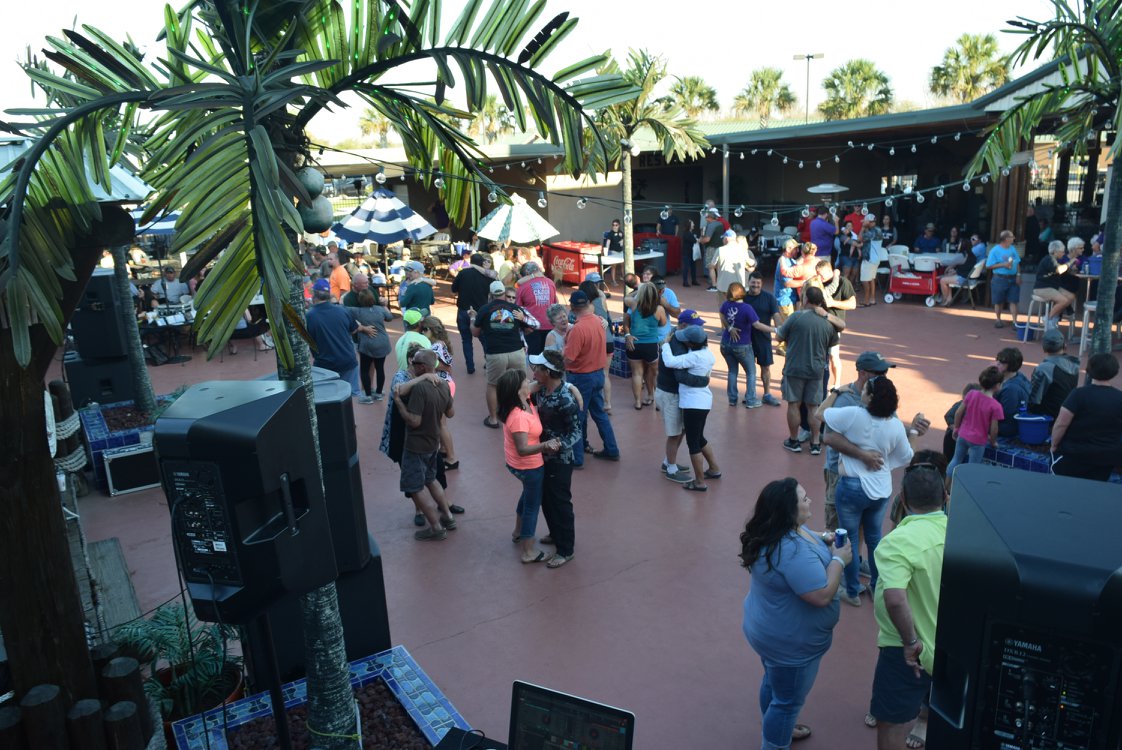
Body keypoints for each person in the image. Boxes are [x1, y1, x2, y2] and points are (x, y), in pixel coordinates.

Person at [740, 478, 852, 749]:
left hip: (769, 632)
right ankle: (776, 740)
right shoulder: (791, 551)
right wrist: (838, 560)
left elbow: (807, 535)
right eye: (803, 499)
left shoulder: (777, 531)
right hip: (791, 645)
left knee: (774, 682)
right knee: (787, 702)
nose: (809, 500)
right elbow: (822, 595)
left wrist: (823, 538)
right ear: (787, 511)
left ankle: (776, 723)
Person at [870, 466, 948, 750]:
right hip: (948, 644)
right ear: (946, 497)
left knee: (890, 722)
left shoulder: (897, 542)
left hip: (907, 650)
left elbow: (894, 598)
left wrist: (910, 642)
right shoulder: (960, 535)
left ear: (902, 498)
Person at [820, 376, 915, 605]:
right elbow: (905, 456)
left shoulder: (854, 414)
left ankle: (852, 592)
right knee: (874, 538)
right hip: (881, 489)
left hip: (852, 487)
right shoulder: (894, 425)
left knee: (850, 539)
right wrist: (883, 465)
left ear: (871, 398)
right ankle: (876, 587)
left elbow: (822, 416)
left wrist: (835, 391)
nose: (861, 391)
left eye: (866, 390)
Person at [392, 349, 457, 541]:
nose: (411, 367)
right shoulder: (444, 385)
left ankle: (436, 527)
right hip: (433, 442)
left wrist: (399, 404)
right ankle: (448, 517)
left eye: (414, 364)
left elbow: (414, 421)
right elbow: (451, 413)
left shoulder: (419, 389)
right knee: (431, 479)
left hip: (416, 444)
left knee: (414, 487)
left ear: (421, 367)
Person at [497, 368, 561, 563]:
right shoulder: (518, 416)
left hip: (519, 465)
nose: (530, 381)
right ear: (518, 390)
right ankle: (528, 551)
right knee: (532, 507)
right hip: (528, 465)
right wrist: (545, 446)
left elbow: (541, 383)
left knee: (527, 495)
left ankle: (517, 532)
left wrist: (572, 389)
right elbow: (523, 449)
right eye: (525, 381)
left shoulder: (523, 398)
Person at [529, 349, 583, 568]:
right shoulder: (541, 390)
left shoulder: (565, 399)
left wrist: (558, 445)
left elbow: (576, 431)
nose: (534, 372)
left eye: (538, 369)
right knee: (545, 498)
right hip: (542, 455)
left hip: (559, 459)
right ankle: (554, 532)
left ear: (548, 372)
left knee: (560, 502)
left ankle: (565, 549)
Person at [776, 286, 844, 455]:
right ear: (821, 301)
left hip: (794, 368)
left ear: (805, 299)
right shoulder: (828, 323)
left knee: (794, 404)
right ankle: (815, 443)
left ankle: (794, 441)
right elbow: (833, 343)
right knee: (814, 406)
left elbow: (778, 337)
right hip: (817, 370)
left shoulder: (795, 317)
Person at [660, 324, 720, 491]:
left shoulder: (693, 357)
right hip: (704, 402)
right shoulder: (708, 354)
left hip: (692, 404)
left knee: (693, 443)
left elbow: (670, 361)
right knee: (699, 437)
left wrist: (665, 344)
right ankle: (714, 468)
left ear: (691, 344)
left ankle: (699, 482)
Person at [473, 279, 539, 427]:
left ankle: (493, 419)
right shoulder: (515, 308)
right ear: (504, 293)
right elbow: (530, 327)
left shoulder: (484, 310)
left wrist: (473, 318)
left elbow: (475, 333)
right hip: (516, 351)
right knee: (521, 383)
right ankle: (525, 415)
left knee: (493, 385)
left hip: (496, 353)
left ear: (490, 294)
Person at [654, 310, 710, 483]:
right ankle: (671, 468)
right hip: (670, 394)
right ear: (684, 326)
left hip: (675, 393)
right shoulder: (677, 344)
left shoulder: (680, 339)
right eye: (697, 326)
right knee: (674, 433)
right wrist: (703, 381)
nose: (700, 329)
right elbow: (681, 375)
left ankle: (668, 461)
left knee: (682, 430)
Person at [564, 290, 620, 465]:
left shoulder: (578, 329)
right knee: (599, 414)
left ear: (572, 307)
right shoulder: (598, 322)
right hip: (597, 374)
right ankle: (612, 449)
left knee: (577, 418)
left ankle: (577, 458)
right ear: (588, 304)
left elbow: (569, 358)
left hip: (581, 378)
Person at [1050, 353, 1122, 481]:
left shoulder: (1079, 394)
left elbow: (1061, 423)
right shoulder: (1119, 398)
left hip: (1075, 454)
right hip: (1106, 457)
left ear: (1089, 370)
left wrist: (1054, 444)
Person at [306, 279, 374, 397]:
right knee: (347, 400)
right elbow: (353, 329)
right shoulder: (342, 310)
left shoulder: (309, 316)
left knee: (328, 400)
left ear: (314, 294)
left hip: (324, 365)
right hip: (347, 360)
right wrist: (362, 328)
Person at [720, 282, 776, 408]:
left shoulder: (726, 304)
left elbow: (722, 315)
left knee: (732, 371)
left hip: (726, 343)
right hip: (742, 345)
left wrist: (729, 328)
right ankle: (751, 399)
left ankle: (732, 399)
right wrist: (774, 330)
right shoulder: (747, 308)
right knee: (751, 372)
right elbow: (757, 325)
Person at [806, 259, 857, 389]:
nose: (819, 276)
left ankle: (836, 383)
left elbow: (852, 304)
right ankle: (818, 382)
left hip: (834, 326)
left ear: (830, 270)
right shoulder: (816, 283)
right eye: (817, 273)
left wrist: (833, 303)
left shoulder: (843, 282)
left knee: (834, 355)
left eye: (821, 273)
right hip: (817, 326)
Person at [947, 366, 1004, 476]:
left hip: (963, 435)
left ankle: (947, 485)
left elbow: (958, 413)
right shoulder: (996, 406)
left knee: (956, 460)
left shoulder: (971, 394)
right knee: (972, 467)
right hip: (978, 441)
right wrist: (993, 442)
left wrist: (957, 428)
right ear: (997, 386)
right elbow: (994, 429)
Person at [622, 282, 667, 410]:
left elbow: (626, 298)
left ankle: (637, 402)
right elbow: (663, 324)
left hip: (634, 344)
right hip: (651, 345)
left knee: (637, 374)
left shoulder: (634, 304)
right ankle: (656, 400)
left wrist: (639, 290)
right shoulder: (659, 309)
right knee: (655, 373)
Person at [744, 272, 783, 407]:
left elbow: (776, 315)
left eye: (758, 283)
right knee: (749, 369)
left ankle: (767, 394)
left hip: (763, 338)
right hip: (745, 338)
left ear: (761, 284)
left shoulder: (769, 298)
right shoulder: (742, 297)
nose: (755, 285)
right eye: (753, 282)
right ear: (748, 282)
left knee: (765, 367)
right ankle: (750, 395)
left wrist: (780, 331)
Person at [451, 253, 494, 375]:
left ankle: (470, 366)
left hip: (463, 310)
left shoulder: (463, 273)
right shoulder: (487, 276)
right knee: (484, 339)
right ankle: (489, 362)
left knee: (466, 340)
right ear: (482, 263)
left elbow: (453, 289)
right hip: (480, 311)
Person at [1027, 329, 1080, 419]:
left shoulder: (1044, 368)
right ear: (1064, 346)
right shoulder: (1074, 363)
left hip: (1048, 418)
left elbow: (1034, 400)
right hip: (1068, 411)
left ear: (1044, 348)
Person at [580, 276, 615, 413]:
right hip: (608, 340)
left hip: (595, 342)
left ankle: (588, 403)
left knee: (590, 372)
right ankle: (608, 404)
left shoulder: (585, 306)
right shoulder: (602, 299)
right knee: (605, 374)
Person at [353, 289, 394, 403]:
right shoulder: (379, 309)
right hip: (382, 342)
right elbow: (390, 317)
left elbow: (343, 310)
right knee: (380, 368)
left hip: (368, 344)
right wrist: (384, 305)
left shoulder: (358, 311)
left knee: (364, 369)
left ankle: (367, 395)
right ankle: (379, 393)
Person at [1033, 240, 1078, 327]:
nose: (1064, 253)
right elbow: (1059, 270)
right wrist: (1070, 262)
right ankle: (1047, 318)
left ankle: (1054, 317)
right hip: (1042, 288)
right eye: (1062, 251)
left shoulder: (1055, 260)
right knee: (1063, 300)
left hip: (1052, 286)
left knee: (1071, 296)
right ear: (1055, 252)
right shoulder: (1049, 259)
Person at [516, 261, 557, 355]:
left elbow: (518, 309)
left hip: (531, 327)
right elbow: (555, 304)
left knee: (533, 359)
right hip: (550, 326)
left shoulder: (522, 287)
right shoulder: (550, 283)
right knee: (549, 358)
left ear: (526, 274)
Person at [938, 232, 987, 306]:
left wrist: (939, 261)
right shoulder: (972, 254)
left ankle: (945, 300)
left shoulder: (962, 255)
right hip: (969, 278)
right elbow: (965, 266)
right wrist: (955, 271)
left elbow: (950, 262)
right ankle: (949, 299)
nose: (957, 245)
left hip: (964, 279)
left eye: (959, 244)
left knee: (942, 280)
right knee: (947, 275)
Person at [985, 230, 1021, 328]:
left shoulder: (1012, 248)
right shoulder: (995, 250)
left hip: (1012, 278)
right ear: (1006, 239)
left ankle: (1015, 322)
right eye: (1012, 237)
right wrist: (1003, 264)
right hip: (1000, 278)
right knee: (998, 301)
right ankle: (998, 319)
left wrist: (1018, 274)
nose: (1013, 238)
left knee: (1014, 300)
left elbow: (1017, 262)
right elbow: (988, 266)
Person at [993, 347, 1031, 438]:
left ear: (1010, 365)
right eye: (997, 360)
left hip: (1007, 428)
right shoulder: (1018, 375)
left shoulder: (1010, 389)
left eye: (1002, 362)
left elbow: (1004, 415)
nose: (997, 363)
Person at [709, 230, 757, 301]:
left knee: (723, 309)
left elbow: (711, 267)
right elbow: (751, 263)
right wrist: (754, 262)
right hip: (738, 287)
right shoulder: (742, 250)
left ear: (726, 239)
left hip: (722, 286)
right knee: (738, 308)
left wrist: (714, 283)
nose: (723, 240)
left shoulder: (720, 250)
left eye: (723, 238)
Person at [858, 214, 883, 307]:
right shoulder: (877, 230)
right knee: (871, 279)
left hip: (869, 259)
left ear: (869, 222)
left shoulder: (873, 231)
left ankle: (866, 301)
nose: (863, 222)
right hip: (875, 259)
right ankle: (872, 299)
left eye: (865, 221)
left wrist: (862, 227)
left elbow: (859, 238)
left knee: (864, 280)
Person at [699, 209, 725, 290]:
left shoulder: (711, 225)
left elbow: (707, 239)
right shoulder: (720, 224)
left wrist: (700, 240)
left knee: (711, 267)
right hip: (720, 248)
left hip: (711, 248)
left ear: (710, 218)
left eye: (707, 217)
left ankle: (714, 285)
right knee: (718, 267)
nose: (706, 219)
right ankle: (720, 284)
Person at [602, 219, 624, 285]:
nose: (614, 226)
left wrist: (622, 240)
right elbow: (608, 243)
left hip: (620, 251)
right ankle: (613, 281)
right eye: (613, 225)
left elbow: (623, 241)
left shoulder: (621, 233)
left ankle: (623, 277)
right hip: (613, 252)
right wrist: (606, 251)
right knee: (614, 266)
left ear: (619, 225)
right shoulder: (610, 234)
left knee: (623, 265)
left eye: (616, 225)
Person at [681, 218, 701, 287]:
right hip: (686, 253)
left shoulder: (690, 233)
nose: (694, 225)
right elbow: (695, 240)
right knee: (686, 267)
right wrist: (701, 238)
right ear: (689, 225)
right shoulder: (687, 233)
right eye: (692, 224)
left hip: (691, 253)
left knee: (693, 267)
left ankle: (693, 280)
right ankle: (685, 281)